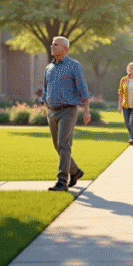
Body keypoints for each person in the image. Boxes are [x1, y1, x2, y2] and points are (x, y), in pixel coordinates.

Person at [42, 36, 91, 191]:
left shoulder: (74, 66)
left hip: (68, 111)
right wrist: (46, 105)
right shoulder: (49, 68)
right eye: (52, 44)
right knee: (57, 146)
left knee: (64, 145)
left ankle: (62, 181)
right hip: (52, 111)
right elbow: (45, 89)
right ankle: (75, 171)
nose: (52, 46)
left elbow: (83, 89)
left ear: (65, 49)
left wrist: (86, 111)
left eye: (55, 44)